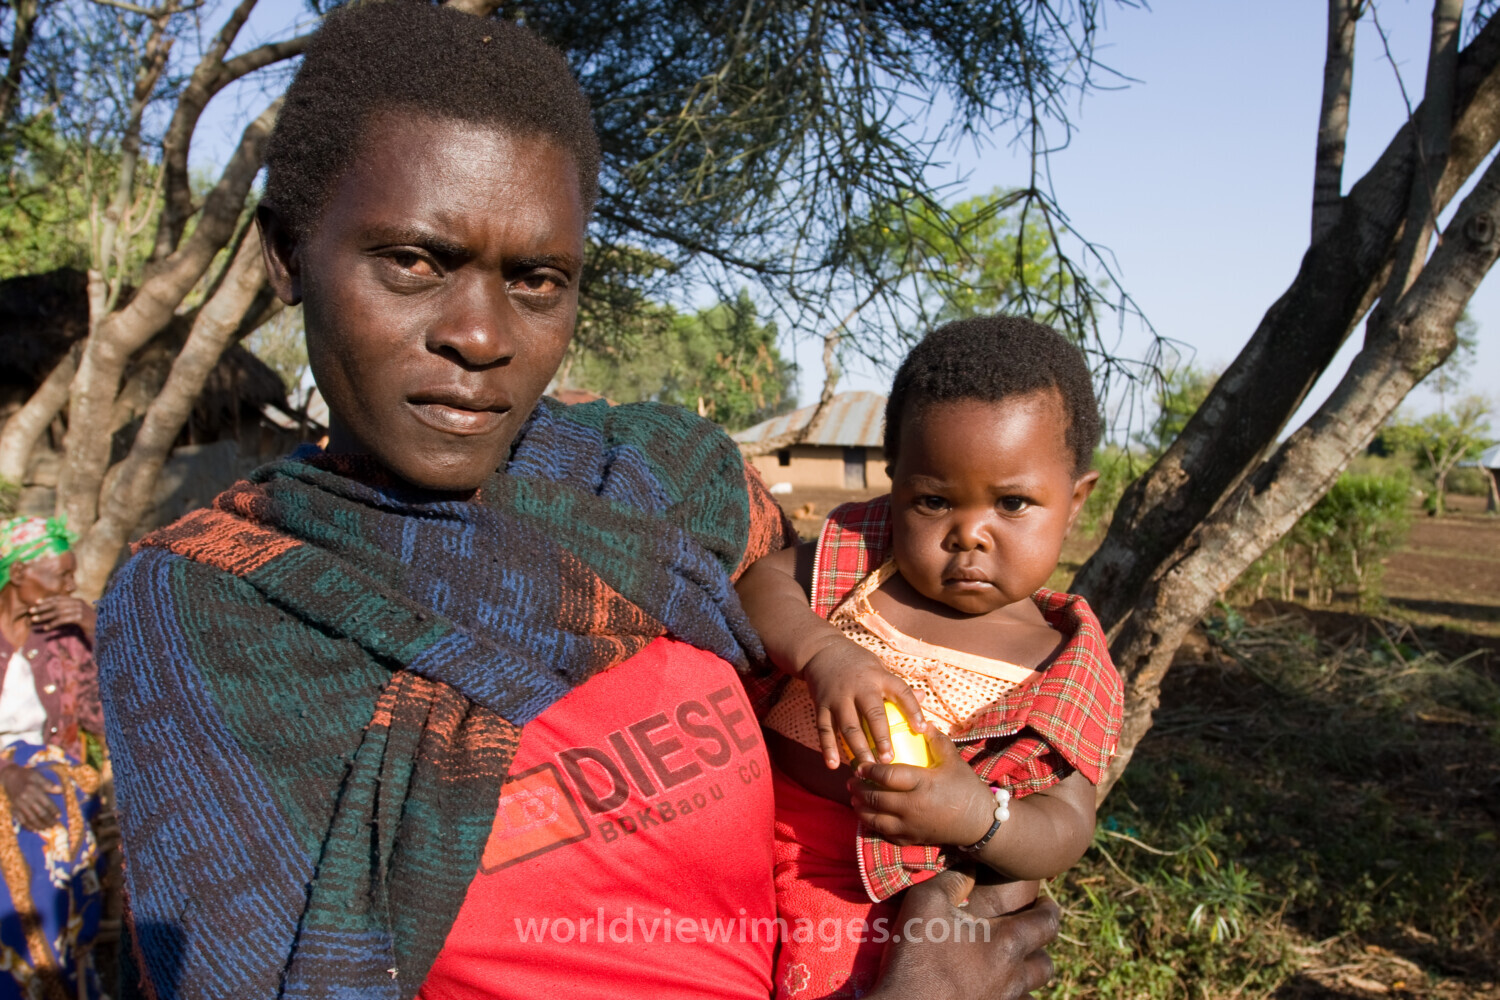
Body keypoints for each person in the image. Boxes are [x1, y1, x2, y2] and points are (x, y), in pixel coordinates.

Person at [94, 4, 1061, 999]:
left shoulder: (667, 485)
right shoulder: (218, 607)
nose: (479, 333)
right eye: (415, 262)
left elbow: (931, 715)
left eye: (537, 278)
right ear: (288, 255)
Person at [736, 317, 1124, 998]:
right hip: (745, 846)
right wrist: (824, 652)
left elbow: (1066, 825)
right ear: (896, 486)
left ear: (1076, 501)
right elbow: (759, 587)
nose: (969, 533)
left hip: (887, 911)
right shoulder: (863, 559)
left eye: (1012, 503)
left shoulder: (1065, 664)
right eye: (934, 500)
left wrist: (979, 816)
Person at [0, 516, 108, 1000]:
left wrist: (95, 628)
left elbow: (109, 722)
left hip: (53, 780)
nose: (70, 587)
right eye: (61, 576)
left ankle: (43, 978)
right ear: (20, 573)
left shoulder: (66, 638)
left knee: (49, 828)